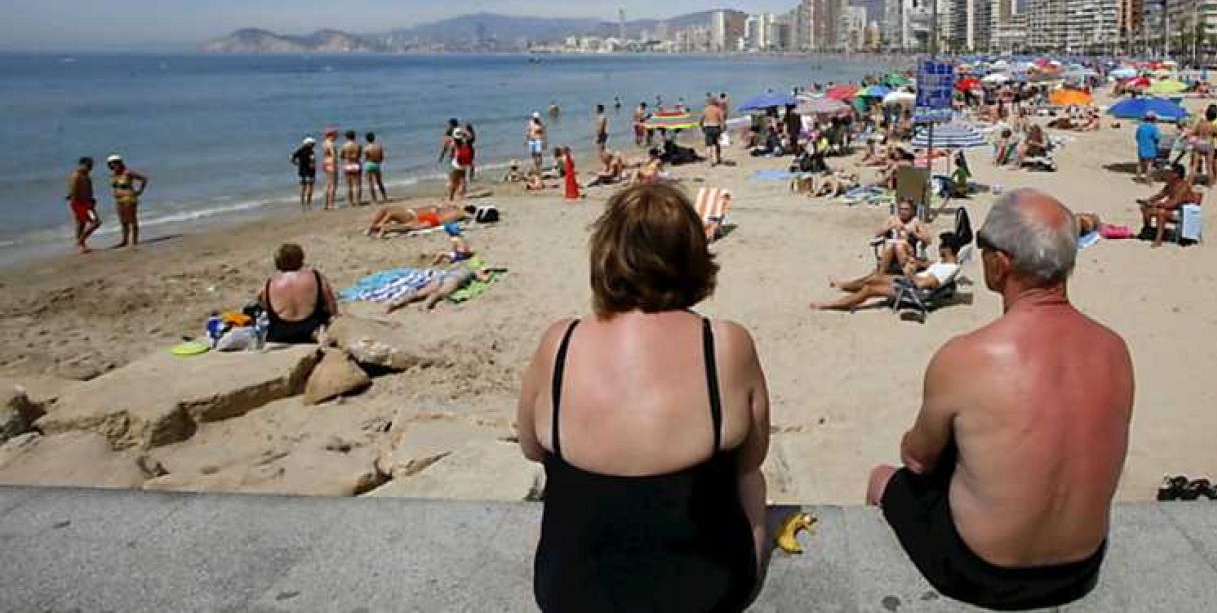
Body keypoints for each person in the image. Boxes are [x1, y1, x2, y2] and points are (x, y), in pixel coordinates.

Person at [867, 189, 1131, 610]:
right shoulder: (1114, 349)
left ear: (1001, 263)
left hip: (985, 572)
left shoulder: (967, 355)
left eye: (983, 245)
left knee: (885, 479)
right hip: (1081, 568)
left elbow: (917, 461)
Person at [517, 183, 770, 613]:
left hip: (570, 594)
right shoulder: (725, 344)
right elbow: (752, 460)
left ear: (606, 256)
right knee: (750, 481)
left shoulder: (559, 342)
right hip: (706, 592)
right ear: (693, 259)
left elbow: (530, 447)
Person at [812, 233, 963, 311]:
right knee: (874, 277)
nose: (939, 247)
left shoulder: (949, 268)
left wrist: (910, 272)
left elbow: (926, 283)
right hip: (909, 282)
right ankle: (844, 286)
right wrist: (916, 261)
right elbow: (930, 266)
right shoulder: (946, 262)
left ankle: (830, 305)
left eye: (942, 245)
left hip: (912, 289)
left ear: (947, 249)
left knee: (870, 289)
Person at [257, 243, 339, 344]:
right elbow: (331, 303)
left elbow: (266, 307)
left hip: (281, 334)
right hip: (311, 328)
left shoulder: (268, 284)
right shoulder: (315, 276)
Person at [1138, 163, 1199, 248]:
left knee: (1161, 213)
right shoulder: (1171, 184)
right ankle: (1148, 231)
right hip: (1173, 209)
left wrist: (1156, 204)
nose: (1167, 174)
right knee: (1145, 208)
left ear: (1176, 175)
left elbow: (1174, 203)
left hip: (1183, 213)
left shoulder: (1183, 187)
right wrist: (1148, 201)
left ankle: (1158, 240)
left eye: (1170, 172)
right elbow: (1160, 195)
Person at [386, 263, 479, 313]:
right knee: (439, 293)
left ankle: (397, 303)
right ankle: (425, 306)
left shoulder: (458, 264)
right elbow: (483, 278)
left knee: (419, 293)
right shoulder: (473, 269)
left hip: (441, 275)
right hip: (454, 279)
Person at [876, 199, 933, 273]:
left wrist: (914, 233)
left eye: (906, 209)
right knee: (889, 245)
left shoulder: (915, 222)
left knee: (899, 245)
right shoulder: (892, 219)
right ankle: (881, 274)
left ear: (912, 211)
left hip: (908, 252)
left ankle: (908, 275)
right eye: (901, 209)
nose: (903, 212)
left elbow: (928, 240)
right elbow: (877, 233)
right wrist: (890, 227)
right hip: (891, 252)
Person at [106, 155, 148, 248]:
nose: (113, 166)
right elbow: (115, 187)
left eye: (114, 163)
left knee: (132, 219)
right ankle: (124, 240)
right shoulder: (113, 175)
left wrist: (140, 191)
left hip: (129, 197)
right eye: (111, 164)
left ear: (119, 163)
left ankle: (134, 240)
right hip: (118, 199)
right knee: (123, 221)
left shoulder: (127, 173)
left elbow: (144, 179)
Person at [366, 202, 473, 236]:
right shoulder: (450, 210)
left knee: (392, 214)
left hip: (424, 219)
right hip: (421, 216)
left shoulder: (459, 212)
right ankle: (375, 227)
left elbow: (469, 216)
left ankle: (379, 228)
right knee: (386, 209)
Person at [66, 156, 100, 253]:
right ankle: (81, 241)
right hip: (81, 203)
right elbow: (73, 189)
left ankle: (81, 245)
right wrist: (76, 199)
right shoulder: (77, 175)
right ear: (83, 165)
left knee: (81, 224)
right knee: (96, 222)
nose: (90, 168)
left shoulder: (85, 175)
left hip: (85, 202)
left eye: (91, 166)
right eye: (89, 165)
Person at [290, 137, 316, 211]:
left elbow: (291, 156)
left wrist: (295, 163)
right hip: (309, 171)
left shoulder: (300, 150)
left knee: (303, 186)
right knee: (310, 186)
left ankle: (302, 202)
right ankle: (308, 202)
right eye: (313, 144)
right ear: (309, 144)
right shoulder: (311, 151)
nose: (314, 145)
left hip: (301, 171)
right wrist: (313, 167)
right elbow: (312, 161)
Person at [447, 128, 473, 202]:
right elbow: (470, 136)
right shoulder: (465, 143)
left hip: (455, 166)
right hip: (463, 166)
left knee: (453, 183)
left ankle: (451, 198)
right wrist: (464, 132)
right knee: (462, 181)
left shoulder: (453, 144)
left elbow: (451, 155)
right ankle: (461, 196)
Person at [1134, 112, 1161, 182]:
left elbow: (1137, 137)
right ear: (1153, 119)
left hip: (1141, 147)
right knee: (1149, 164)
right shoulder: (1154, 128)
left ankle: (1138, 179)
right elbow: (1157, 138)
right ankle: (1148, 180)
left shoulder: (1140, 127)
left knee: (1140, 163)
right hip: (1151, 148)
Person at [363, 132, 388, 204]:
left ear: (366, 139)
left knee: (370, 183)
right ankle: (384, 197)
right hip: (376, 164)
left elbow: (365, 158)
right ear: (374, 138)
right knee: (379, 182)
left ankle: (374, 200)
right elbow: (382, 157)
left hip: (369, 164)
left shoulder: (366, 148)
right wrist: (378, 161)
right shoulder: (379, 147)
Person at [702, 95, 728, 166]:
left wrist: (702, 128)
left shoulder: (705, 109)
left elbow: (701, 120)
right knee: (717, 144)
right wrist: (723, 128)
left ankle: (710, 162)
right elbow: (722, 120)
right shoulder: (718, 109)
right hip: (716, 127)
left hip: (707, 127)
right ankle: (718, 158)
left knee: (708, 146)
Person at [340, 130, 363, 207]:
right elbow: (359, 155)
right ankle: (358, 201)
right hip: (356, 164)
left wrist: (347, 157)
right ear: (354, 136)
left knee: (349, 185)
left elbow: (341, 156)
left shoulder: (344, 146)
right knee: (358, 184)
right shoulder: (358, 145)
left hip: (348, 164)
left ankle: (351, 202)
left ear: (346, 137)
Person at [321, 129, 339, 211]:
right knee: (333, 185)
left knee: (327, 185)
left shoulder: (324, 143)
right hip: (332, 164)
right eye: (336, 134)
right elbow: (333, 155)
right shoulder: (331, 144)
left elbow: (325, 156)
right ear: (332, 135)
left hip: (326, 163)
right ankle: (331, 204)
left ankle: (325, 204)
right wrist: (335, 165)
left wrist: (324, 165)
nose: (337, 136)